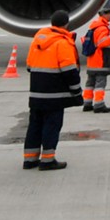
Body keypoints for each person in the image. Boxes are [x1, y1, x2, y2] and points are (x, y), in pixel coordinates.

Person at [23, 10, 82, 170]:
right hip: (55, 95)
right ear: (66, 24)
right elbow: (70, 71)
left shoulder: (38, 40)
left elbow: (29, 66)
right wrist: (76, 91)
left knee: (35, 125)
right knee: (52, 125)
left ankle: (30, 159)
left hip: (36, 93)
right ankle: (47, 160)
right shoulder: (62, 43)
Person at [79, 8, 110, 113]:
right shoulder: (102, 28)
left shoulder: (93, 27)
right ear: (104, 15)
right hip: (100, 61)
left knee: (90, 84)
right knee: (100, 84)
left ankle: (87, 103)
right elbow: (102, 43)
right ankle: (99, 104)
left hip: (92, 61)